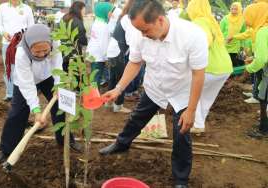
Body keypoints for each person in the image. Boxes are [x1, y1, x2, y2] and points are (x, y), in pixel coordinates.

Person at [99, 0, 208, 187]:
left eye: (145, 31)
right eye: (139, 31)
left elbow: (199, 74)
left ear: (160, 20)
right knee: (137, 117)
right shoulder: (138, 33)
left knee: (181, 133)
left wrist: (191, 110)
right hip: (154, 87)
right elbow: (135, 62)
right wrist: (118, 88)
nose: (143, 35)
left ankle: (181, 179)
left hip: (182, 92)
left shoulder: (193, 35)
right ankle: (121, 143)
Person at [0, 24, 82, 163]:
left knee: (61, 107)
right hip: (26, 81)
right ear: (29, 47)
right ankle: (7, 149)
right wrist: (36, 110)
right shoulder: (21, 54)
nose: (42, 55)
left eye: (45, 51)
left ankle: (66, 140)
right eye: (37, 52)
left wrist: (59, 87)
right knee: (17, 113)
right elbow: (27, 85)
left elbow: (58, 67)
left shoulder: (55, 44)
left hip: (48, 76)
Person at [185, 0, 233, 134]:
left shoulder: (199, 22)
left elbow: (205, 39)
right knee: (206, 97)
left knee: (191, 93)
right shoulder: (211, 21)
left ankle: (197, 124)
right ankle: (199, 124)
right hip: (224, 67)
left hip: (210, 67)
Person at [0, 0, 34, 102]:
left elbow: (31, 26)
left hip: (23, 45)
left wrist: (26, 39)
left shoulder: (27, 8)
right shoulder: (2, 7)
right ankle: (10, 93)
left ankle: (25, 93)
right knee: (9, 68)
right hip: (7, 44)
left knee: (24, 68)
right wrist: (3, 33)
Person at [106, 0, 138, 113]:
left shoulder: (124, 16)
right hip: (117, 52)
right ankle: (118, 106)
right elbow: (132, 41)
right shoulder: (129, 19)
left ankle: (108, 102)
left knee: (113, 78)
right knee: (121, 78)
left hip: (112, 51)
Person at [242, 2, 268, 138]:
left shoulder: (262, 31)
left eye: (247, 16)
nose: (246, 20)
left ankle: (263, 130)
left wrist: (249, 68)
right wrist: (254, 57)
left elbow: (262, 58)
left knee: (264, 99)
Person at [86, 2, 113, 86]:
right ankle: (94, 96)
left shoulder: (97, 22)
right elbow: (103, 43)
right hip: (99, 55)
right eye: (110, 11)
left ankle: (93, 94)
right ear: (104, 11)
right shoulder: (104, 26)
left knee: (94, 75)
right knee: (96, 77)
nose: (111, 14)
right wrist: (106, 57)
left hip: (93, 53)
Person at [62, 1, 88, 72]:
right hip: (75, 54)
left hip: (64, 53)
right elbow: (83, 41)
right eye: (84, 9)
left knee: (66, 74)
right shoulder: (78, 22)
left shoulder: (65, 17)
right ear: (80, 9)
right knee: (76, 77)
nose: (84, 11)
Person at [220, 2, 246, 68]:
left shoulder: (242, 20)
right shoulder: (225, 19)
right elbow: (219, 32)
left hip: (235, 46)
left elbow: (243, 33)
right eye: (232, 8)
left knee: (234, 62)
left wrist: (242, 45)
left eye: (236, 9)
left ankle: (235, 77)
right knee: (225, 62)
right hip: (225, 44)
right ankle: (228, 77)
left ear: (240, 10)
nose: (233, 10)